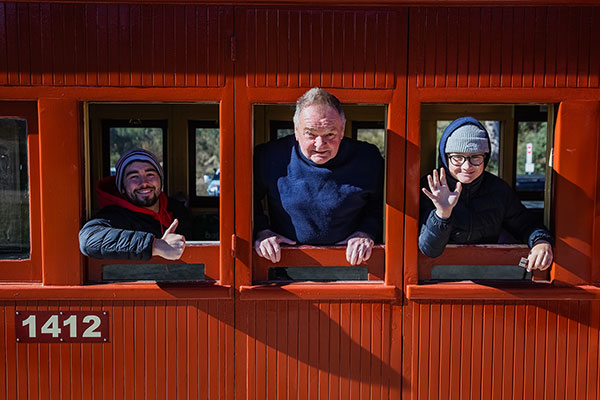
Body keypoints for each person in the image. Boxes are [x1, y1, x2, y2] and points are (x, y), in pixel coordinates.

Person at [254, 88, 384, 266]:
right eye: (310, 134)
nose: (320, 144)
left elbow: (383, 206)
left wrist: (366, 232)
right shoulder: (270, 156)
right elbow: (244, 201)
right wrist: (262, 231)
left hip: (355, 265)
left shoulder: (367, 158)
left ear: (342, 129)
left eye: (330, 134)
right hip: (281, 264)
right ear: (296, 130)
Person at [419, 116, 553, 272]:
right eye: (457, 157)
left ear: (485, 157)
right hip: (438, 278)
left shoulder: (499, 190)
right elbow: (429, 250)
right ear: (445, 157)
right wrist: (442, 214)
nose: (466, 166)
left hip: (490, 275)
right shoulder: (429, 188)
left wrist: (541, 242)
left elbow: (526, 224)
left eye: (475, 157)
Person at [79, 148, 190, 260]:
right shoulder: (115, 215)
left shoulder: (177, 209)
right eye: (134, 177)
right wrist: (155, 245)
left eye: (150, 174)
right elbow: (89, 239)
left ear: (160, 179)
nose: (144, 183)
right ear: (122, 186)